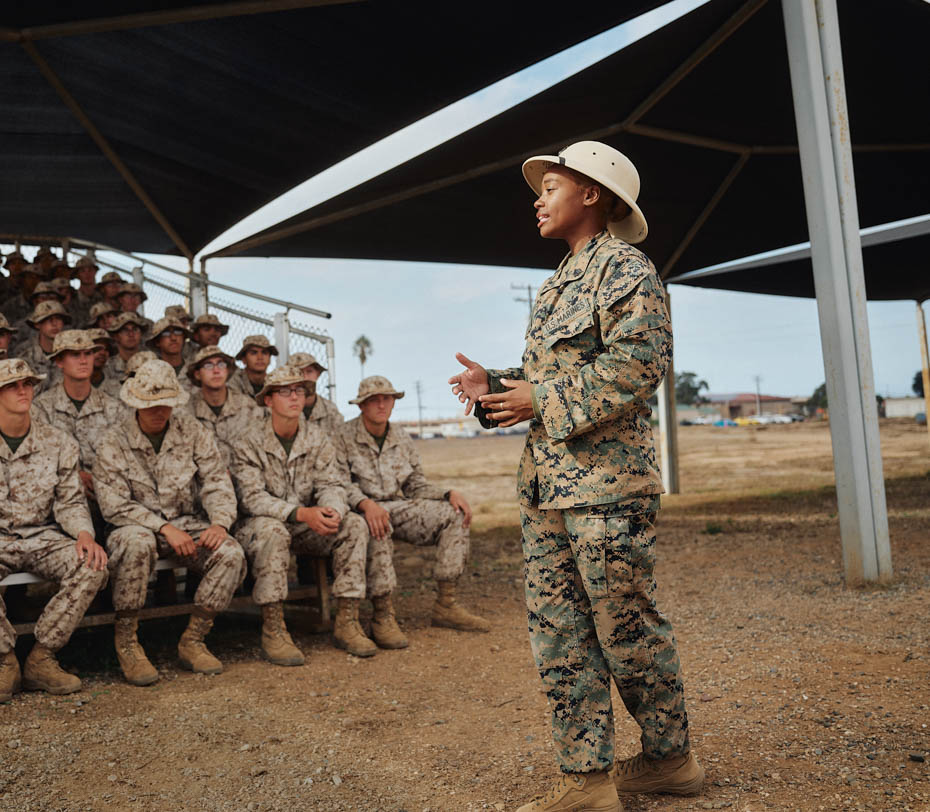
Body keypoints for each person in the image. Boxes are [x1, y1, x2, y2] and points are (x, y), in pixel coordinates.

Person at [449, 141, 702, 811]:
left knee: (626, 630)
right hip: (548, 489)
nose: (538, 197)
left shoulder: (626, 269)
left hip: (607, 491)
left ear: (591, 194)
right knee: (559, 634)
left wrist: (542, 399)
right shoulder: (561, 279)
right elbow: (556, 374)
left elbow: (638, 367)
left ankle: (671, 759)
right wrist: (497, 385)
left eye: (551, 186)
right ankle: (588, 783)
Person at [231, 366, 401, 660]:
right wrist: (300, 513)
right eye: (284, 392)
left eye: (299, 391)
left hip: (308, 522)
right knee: (273, 532)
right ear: (269, 400)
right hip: (260, 525)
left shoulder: (317, 437)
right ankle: (274, 629)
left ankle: (347, 622)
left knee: (353, 525)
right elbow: (251, 499)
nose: (294, 397)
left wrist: (332, 510)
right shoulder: (248, 441)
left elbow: (331, 483)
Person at [93, 360, 246, 685]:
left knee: (231, 554)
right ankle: (128, 641)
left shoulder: (192, 432)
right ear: (134, 402)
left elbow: (217, 481)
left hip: (188, 523)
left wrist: (219, 523)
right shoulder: (113, 441)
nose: (159, 410)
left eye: (165, 403)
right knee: (136, 542)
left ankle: (194, 638)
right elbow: (113, 505)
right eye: (150, 404)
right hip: (135, 527)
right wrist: (163, 527)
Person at [338, 375, 487, 633]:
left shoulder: (401, 437)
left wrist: (446, 493)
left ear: (394, 403)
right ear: (361, 405)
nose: (381, 405)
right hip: (361, 512)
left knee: (454, 515)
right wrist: (364, 504)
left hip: (399, 507)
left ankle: (446, 604)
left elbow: (415, 483)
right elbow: (337, 483)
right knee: (378, 524)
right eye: (374, 401)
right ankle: (383, 615)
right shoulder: (343, 436)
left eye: (387, 399)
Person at [0, 358, 108, 700]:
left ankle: (41, 658)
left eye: (27, 384)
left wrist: (84, 534)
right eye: (11, 386)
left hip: (41, 535)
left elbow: (70, 501)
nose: (22, 391)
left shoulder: (58, 442)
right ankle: (4, 661)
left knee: (92, 566)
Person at [32, 331, 124, 529]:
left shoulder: (114, 408)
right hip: (59, 505)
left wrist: (98, 478)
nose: (84, 361)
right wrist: (76, 476)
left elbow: (125, 459)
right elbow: (36, 463)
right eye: (75, 355)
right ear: (59, 361)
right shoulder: (40, 408)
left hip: (108, 500)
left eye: (88, 354)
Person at [185, 345, 261, 468]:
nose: (216, 371)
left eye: (221, 364)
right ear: (198, 374)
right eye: (208, 365)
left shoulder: (250, 408)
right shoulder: (186, 411)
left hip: (246, 478)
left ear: (227, 370)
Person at [15, 301, 71, 393]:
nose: (54, 323)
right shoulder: (23, 358)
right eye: (47, 319)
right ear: (37, 324)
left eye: (58, 318)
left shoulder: (73, 354)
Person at [288, 352, 344, 434]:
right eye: (299, 372)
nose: (305, 377)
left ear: (317, 374)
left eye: (309, 371)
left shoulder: (330, 410)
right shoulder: (280, 407)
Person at [146, 316, 193, 383]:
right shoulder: (149, 372)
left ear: (184, 338)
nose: (173, 338)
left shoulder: (194, 370)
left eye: (178, 332)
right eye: (166, 333)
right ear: (157, 342)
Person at [104, 311, 147, 381]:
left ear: (141, 334)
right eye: (125, 330)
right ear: (115, 336)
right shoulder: (107, 367)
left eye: (135, 329)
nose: (131, 334)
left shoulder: (150, 362)